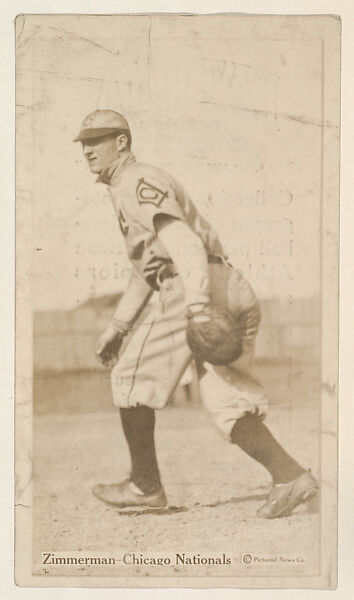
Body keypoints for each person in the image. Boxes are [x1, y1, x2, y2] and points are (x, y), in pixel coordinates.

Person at [74, 109, 318, 519]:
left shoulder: (136, 179)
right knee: (228, 404)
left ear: (122, 142)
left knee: (129, 379)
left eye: (98, 139)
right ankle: (290, 477)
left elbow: (184, 247)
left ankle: (145, 486)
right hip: (227, 283)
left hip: (194, 282)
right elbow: (147, 270)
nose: (87, 149)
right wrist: (119, 326)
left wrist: (198, 307)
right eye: (83, 142)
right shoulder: (126, 186)